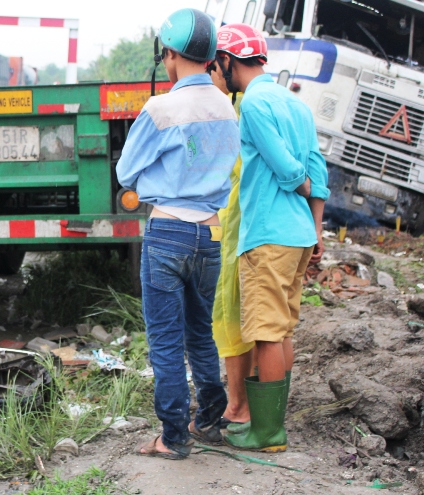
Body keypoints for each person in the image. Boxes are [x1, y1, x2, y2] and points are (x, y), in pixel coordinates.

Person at [116, 8, 240, 460]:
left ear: (168, 54)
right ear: (210, 58)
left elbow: (126, 173)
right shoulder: (225, 106)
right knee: (200, 333)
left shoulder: (161, 108)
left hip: (167, 231)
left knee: (166, 342)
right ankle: (208, 418)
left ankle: (172, 437)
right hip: (210, 235)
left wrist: (159, 178)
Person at [212, 24, 329, 452]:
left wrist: (298, 183)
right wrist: (316, 226)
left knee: (264, 332)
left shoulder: (254, 104)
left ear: (227, 60)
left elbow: (290, 168)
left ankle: (268, 432)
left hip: (268, 234)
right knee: (281, 331)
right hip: (298, 234)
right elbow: (319, 168)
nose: (215, 74)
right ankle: (270, 423)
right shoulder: (296, 104)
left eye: (216, 65)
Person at [205, 50, 256, 429]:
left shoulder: (236, 111)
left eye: (212, 69)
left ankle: (238, 405)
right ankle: (250, 402)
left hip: (232, 223)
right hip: (243, 222)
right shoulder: (249, 106)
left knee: (227, 313)